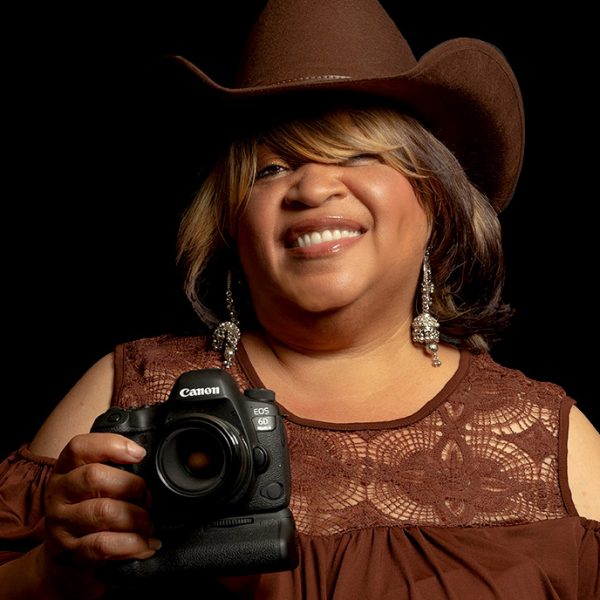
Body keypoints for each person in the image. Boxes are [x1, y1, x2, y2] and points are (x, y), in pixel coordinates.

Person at [1, 0, 599, 598]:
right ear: (230, 223)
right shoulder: (123, 390)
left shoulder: (553, 440)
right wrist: (51, 572)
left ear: (435, 207)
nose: (312, 186)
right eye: (271, 169)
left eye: (360, 153)